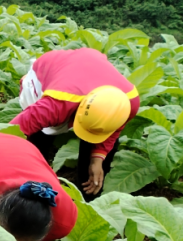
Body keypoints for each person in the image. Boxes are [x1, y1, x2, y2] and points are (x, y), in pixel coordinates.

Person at [11, 48, 139, 199]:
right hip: (51, 68)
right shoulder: (55, 104)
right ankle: (30, 185)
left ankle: (88, 201)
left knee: (97, 141)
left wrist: (98, 159)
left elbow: (114, 129)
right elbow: (12, 132)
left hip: (90, 66)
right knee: (36, 140)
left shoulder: (129, 102)